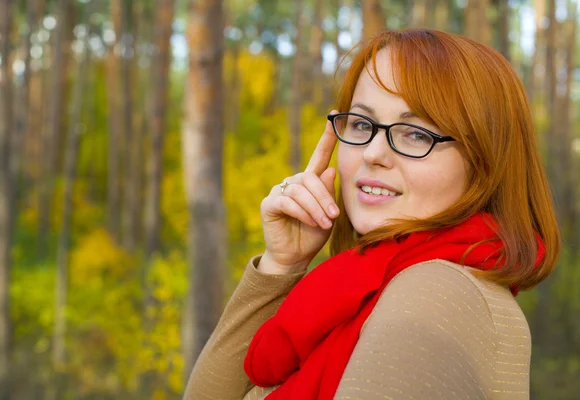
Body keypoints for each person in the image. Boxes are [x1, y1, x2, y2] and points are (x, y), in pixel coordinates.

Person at [183, 29, 560, 400]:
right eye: (362, 125)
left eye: (416, 133)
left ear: (485, 161)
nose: (373, 153)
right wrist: (281, 265)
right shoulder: (365, 291)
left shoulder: (433, 292)